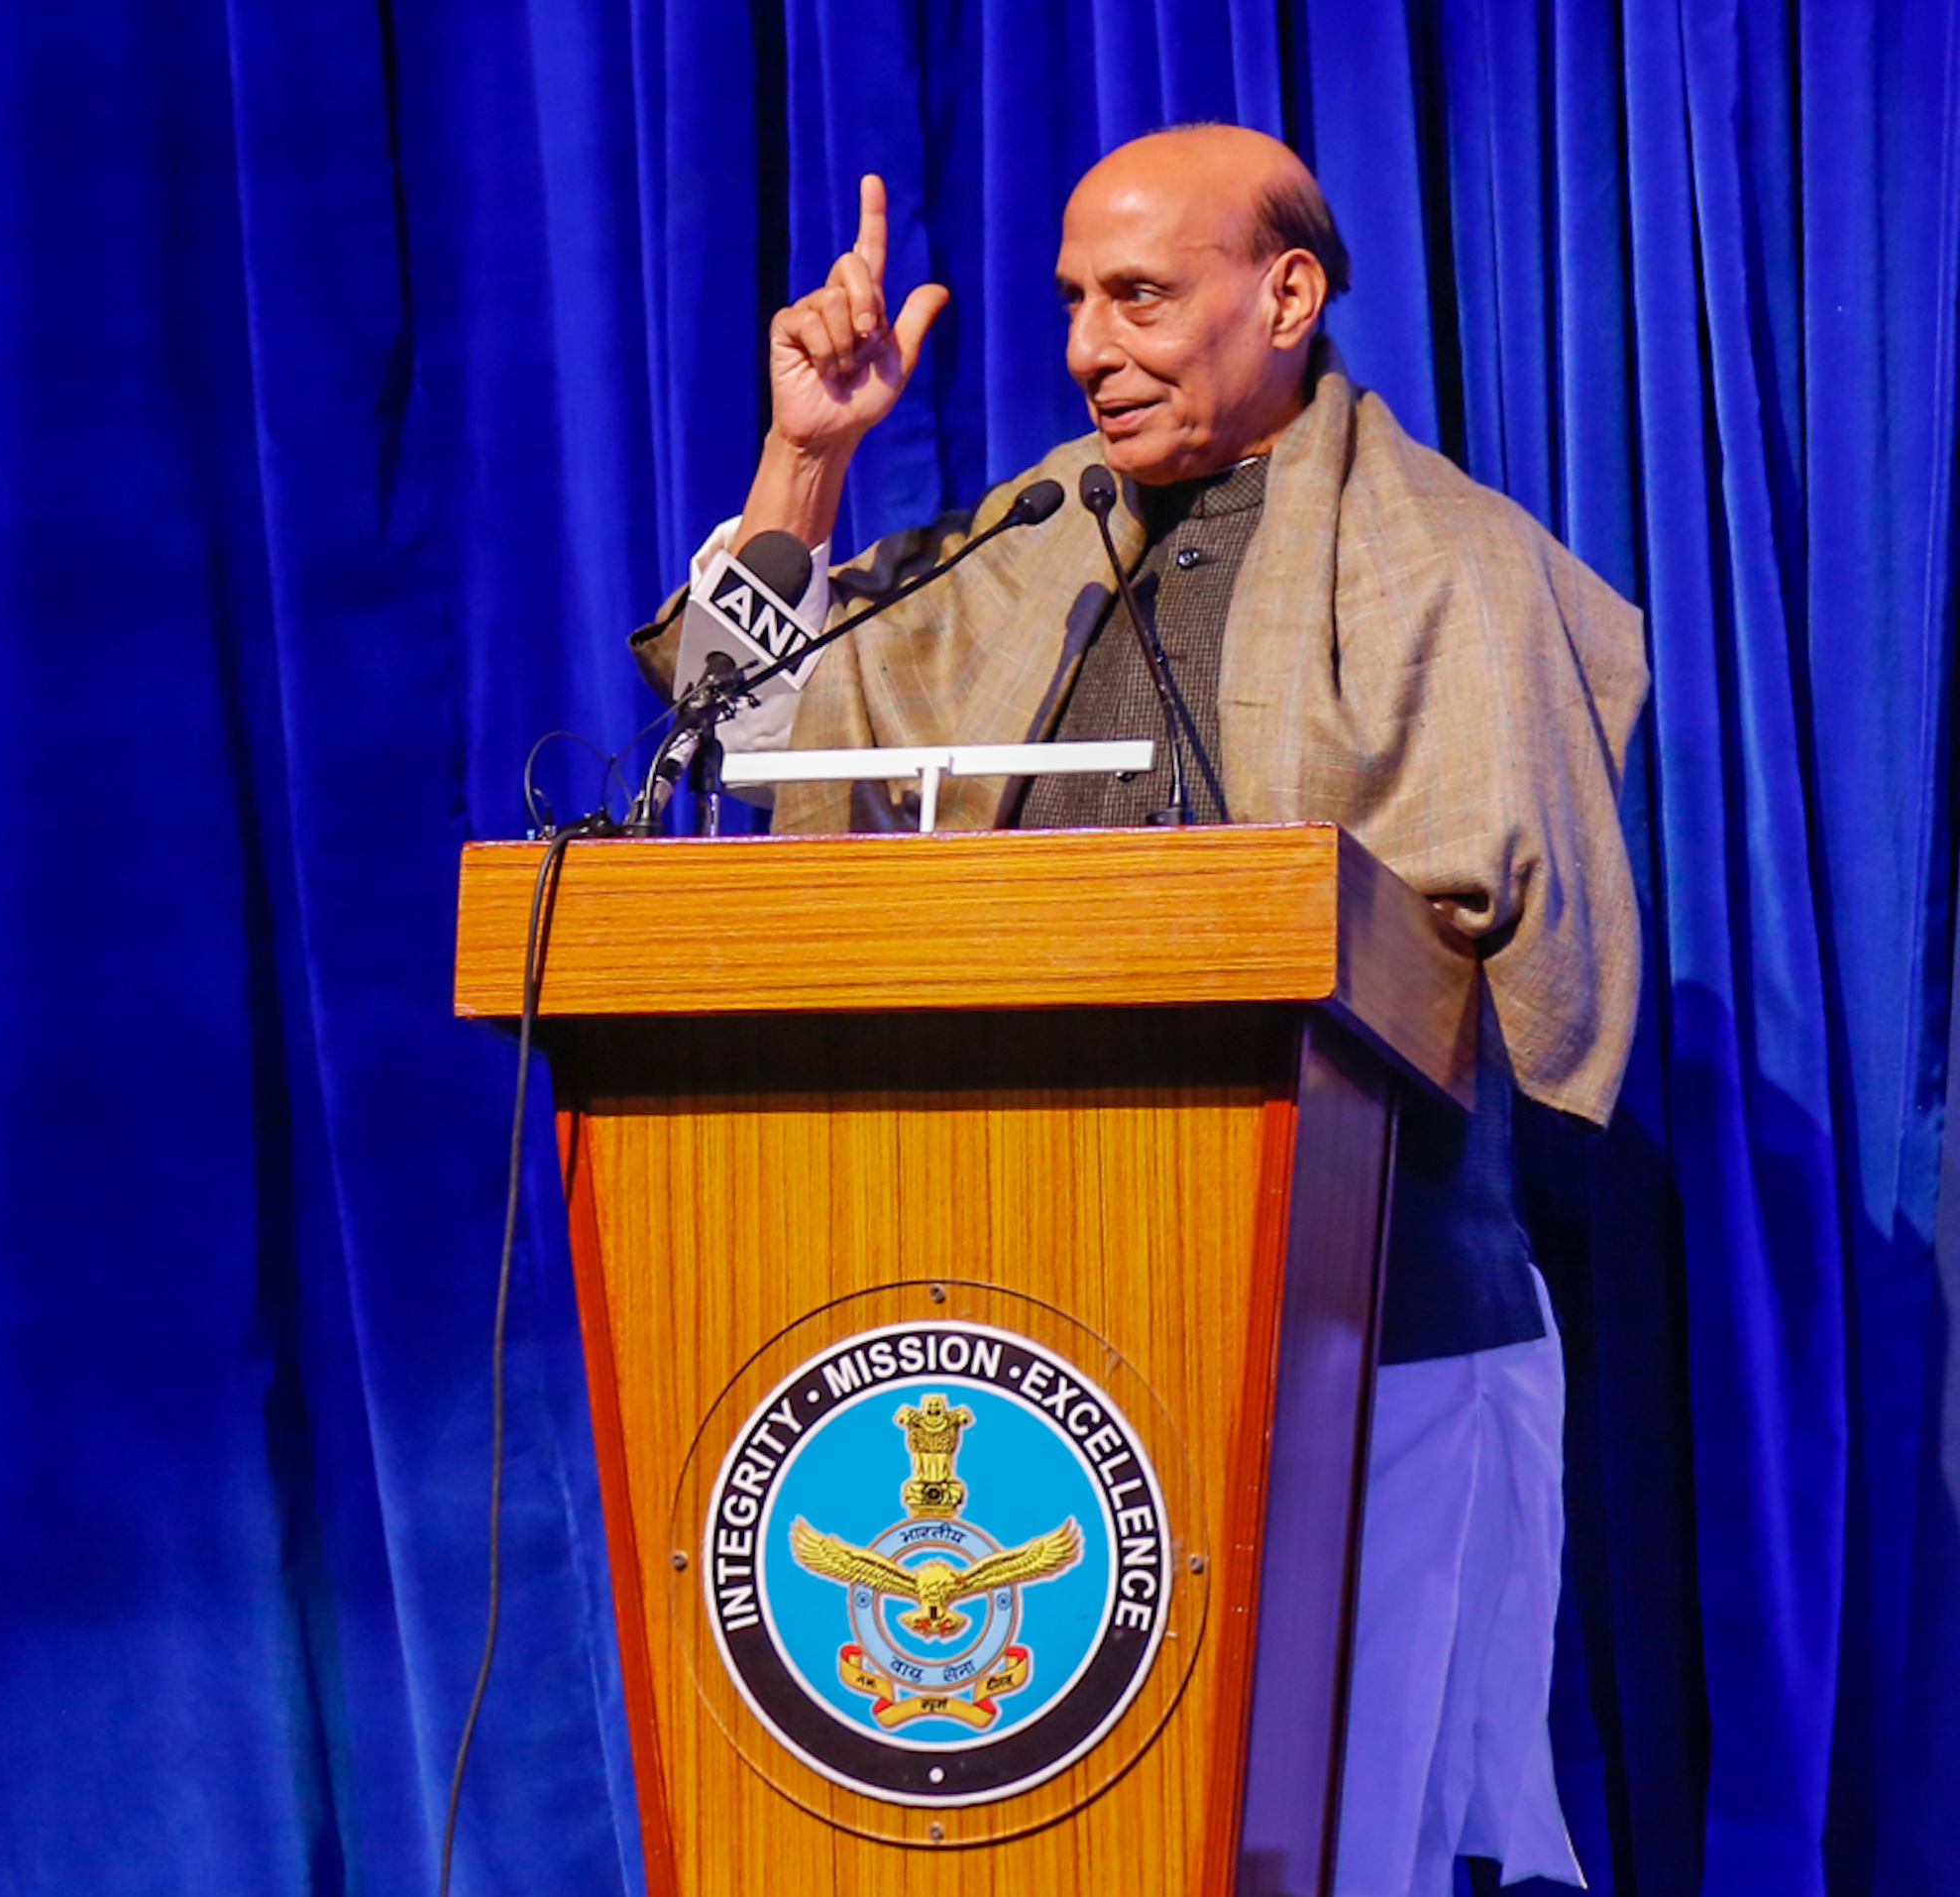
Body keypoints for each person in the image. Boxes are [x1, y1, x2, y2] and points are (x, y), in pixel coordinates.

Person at [632, 125, 1644, 1897]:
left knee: (1341, 1847)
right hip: (1045, 1345)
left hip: (1378, 1339)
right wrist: (805, 463)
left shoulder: (1453, 573)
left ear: (1289, 294)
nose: (1092, 347)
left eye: (1142, 298)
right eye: (1073, 303)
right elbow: (729, 731)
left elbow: (1500, 971)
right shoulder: (1027, 547)